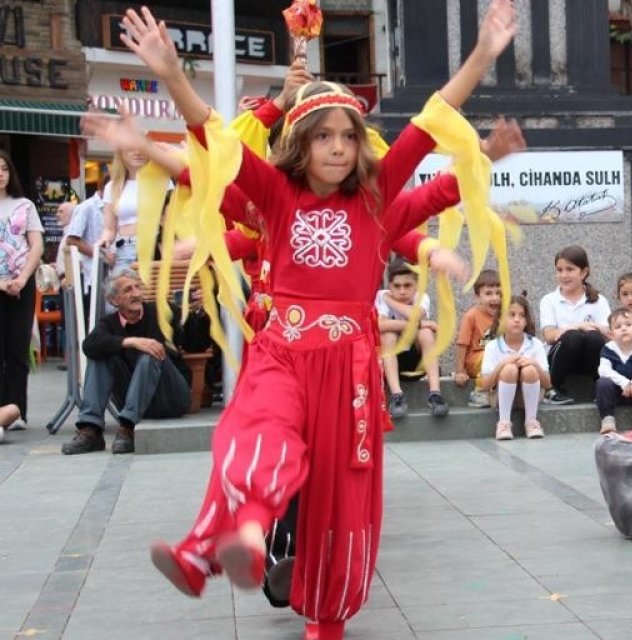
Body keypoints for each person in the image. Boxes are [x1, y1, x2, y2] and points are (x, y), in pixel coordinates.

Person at [118, 4, 519, 639]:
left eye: (348, 136)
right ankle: (230, 542)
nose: (337, 147)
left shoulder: (376, 195)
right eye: (323, 136)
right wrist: (171, 75)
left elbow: (428, 126)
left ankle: (320, 617)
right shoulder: (276, 197)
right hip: (281, 349)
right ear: (300, 147)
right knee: (256, 436)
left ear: (360, 146)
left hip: (350, 367)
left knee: (338, 497)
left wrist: (482, 56)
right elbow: (215, 146)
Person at [62, 268, 210, 455]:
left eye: (137, 287)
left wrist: (199, 314)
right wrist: (130, 342)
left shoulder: (161, 311)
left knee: (152, 351)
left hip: (171, 396)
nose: (136, 294)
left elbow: (197, 344)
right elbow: (89, 345)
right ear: (114, 300)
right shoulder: (109, 323)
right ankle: (90, 430)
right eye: (128, 290)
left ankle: (127, 429)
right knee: (100, 352)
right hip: (133, 400)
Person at [0, 149, 43, 429]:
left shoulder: (24, 205)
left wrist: (23, 278)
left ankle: (18, 410)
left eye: (3, 168)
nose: (0, 174)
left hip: (21, 285)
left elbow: (36, 245)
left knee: (17, 348)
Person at [539, 245, 611, 405]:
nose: (564, 275)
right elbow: (550, 336)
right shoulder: (549, 300)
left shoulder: (599, 300)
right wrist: (579, 326)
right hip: (560, 361)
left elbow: (608, 335)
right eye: (559, 270)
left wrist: (588, 327)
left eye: (570, 269)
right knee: (573, 337)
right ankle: (553, 389)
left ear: (584, 272)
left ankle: (599, 387)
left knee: (593, 337)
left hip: (588, 361)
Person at [376, 261, 447, 418]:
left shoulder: (422, 297)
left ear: (417, 285)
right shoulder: (380, 296)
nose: (402, 291)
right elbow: (380, 324)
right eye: (397, 286)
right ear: (390, 285)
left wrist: (390, 300)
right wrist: (420, 323)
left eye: (407, 285)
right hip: (392, 364)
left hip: (417, 363)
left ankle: (435, 393)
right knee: (388, 335)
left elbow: (415, 315)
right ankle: (397, 395)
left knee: (426, 333)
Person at [478, 295, 549, 440]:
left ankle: (531, 421)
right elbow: (485, 385)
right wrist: (502, 364)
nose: (517, 319)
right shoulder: (492, 346)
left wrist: (533, 363)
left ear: (526, 321)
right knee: (509, 369)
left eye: (521, 316)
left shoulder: (535, 344)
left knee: (529, 370)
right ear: (500, 319)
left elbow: (548, 383)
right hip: (498, 397)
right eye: (511, 315)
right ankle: (503, 423)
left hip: (528, 397)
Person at [454, 268, 502, 408]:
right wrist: (460, 370)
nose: (495, 298)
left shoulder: (505, 315)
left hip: (498, 359)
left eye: (499, 293)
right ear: (477, 296)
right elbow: (462, 344)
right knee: (489, 355)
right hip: (476, 358)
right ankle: (480, 392)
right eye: (488, 293)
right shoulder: (471, 316)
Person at [98, 145, 150, 268]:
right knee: (124, 285)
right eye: (131, 148)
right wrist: (104, 240)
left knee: (152, 286)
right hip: (125, 248)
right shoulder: (112, 187)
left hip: (153, 246)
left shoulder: (161, 182)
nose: (138, 152)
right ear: (121, 154)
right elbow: (109, 228)